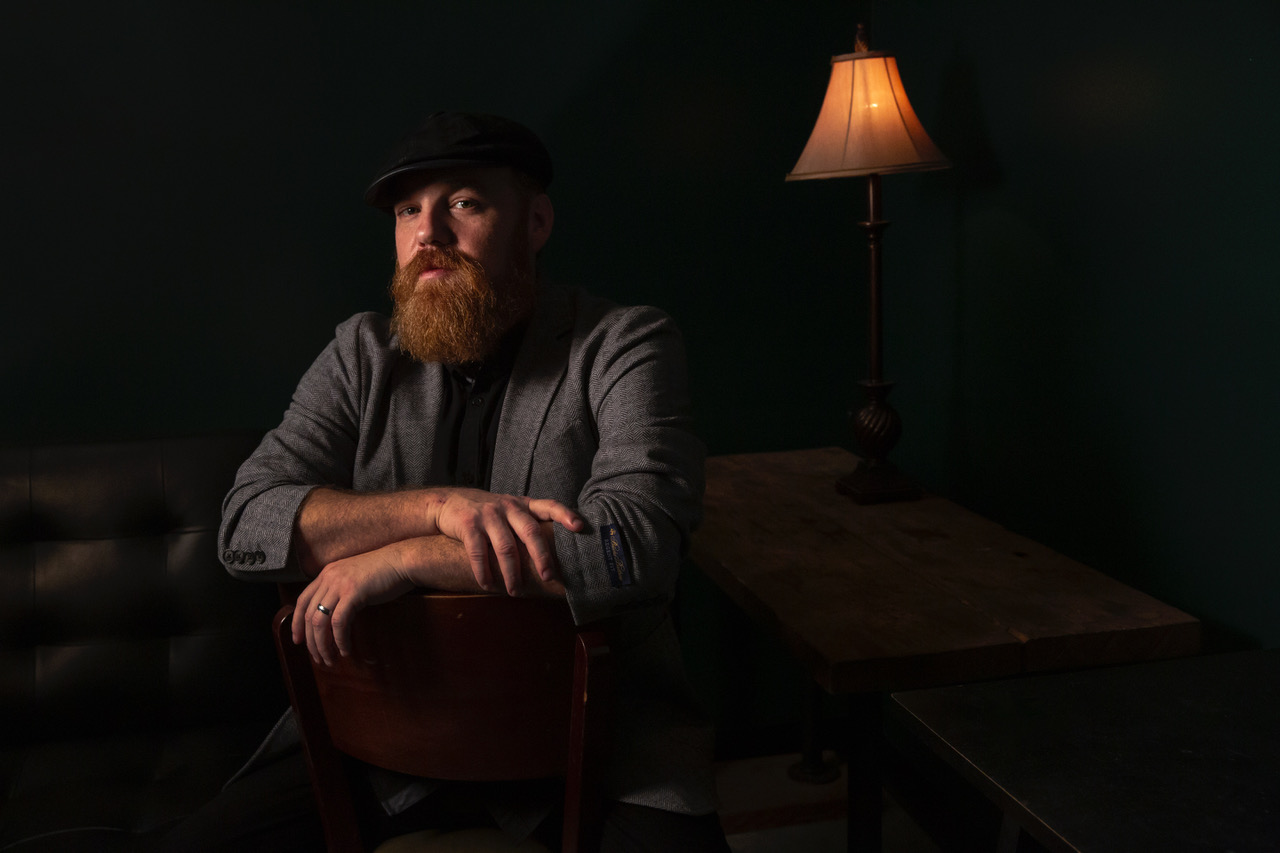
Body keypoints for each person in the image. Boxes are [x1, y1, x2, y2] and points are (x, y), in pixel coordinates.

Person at [199, 112, 729, 852]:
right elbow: (246, 525)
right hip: (379, 741)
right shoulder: (359, 353)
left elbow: (634, 548)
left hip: (593, 743)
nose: (428, 233)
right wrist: (440, 508)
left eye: (463, 203)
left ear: (535, 222)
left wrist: (404, 559)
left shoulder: (624, 343)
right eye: (407, 211)